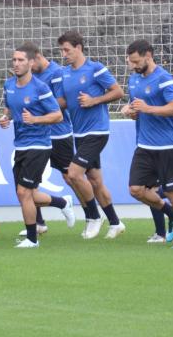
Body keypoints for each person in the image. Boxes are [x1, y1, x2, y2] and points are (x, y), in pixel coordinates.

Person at [0, 46, 76, 248]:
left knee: (24, 193)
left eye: (21, 60)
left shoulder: (40, 88)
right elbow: (9, 108)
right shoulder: (8, 85)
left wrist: (35, 119)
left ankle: (32, 239)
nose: (16, 63)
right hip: (21, 145)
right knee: (27, 194)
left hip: (39, 145)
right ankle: (63, 203)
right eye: (14, 60)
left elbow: (57, 115)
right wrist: (5, 118)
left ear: (31, 63)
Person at [121, 39, 173, 248]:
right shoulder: (134, 80)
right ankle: (170, 213)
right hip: (144, 146)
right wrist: (131, 112)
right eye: (130, 62)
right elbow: (138, 111)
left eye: (136, 61)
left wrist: (147, 108)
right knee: (136, 189)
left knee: (171, 191)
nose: (133, 66)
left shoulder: (163, 78)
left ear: (148, 56)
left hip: (166, 147)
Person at [56, 30, 126, 239]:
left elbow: (118, 92)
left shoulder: (95, 69)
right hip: (79, 133)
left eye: (66, 50)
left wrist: (94, 100)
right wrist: (39, 107)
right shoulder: (64, 74)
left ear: (78, 48)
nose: (64, 54)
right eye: (61, 50)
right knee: (95, 180)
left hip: (97, 131)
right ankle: (115, 222)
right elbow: (63, 103)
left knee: (74, 174)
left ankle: (94, 216)